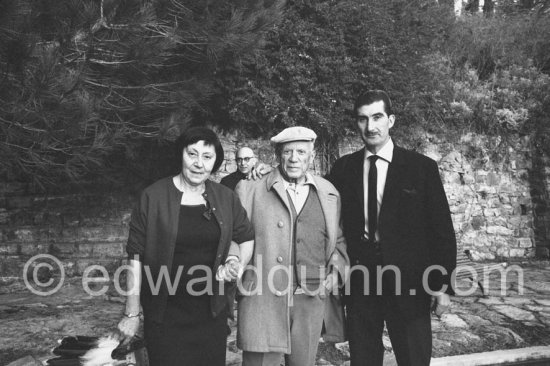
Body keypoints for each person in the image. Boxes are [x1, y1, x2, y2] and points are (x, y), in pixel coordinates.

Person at [326, 90, 457, 366]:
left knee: (413, 357)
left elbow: (441, 230)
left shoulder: (421, 168)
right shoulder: (344, 168)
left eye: (377, 117)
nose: (370, 126)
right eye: (362, 119)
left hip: (408, 280)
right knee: (363, 358)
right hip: (361, 279)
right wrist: (258, 173)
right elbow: (312, 192)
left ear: (391, 120)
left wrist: (442, 285)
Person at [117, 127, 255, 366]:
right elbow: (135, 257)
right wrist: (131, 312)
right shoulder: (152, 197)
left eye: (207, 157)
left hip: (211, 313)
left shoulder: (225, 197)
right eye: (192, 154)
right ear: (181, 154)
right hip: (164, 313)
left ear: (215, 162)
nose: (198, 163)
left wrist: (237, 264)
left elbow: (246, 236)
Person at [235, 126, 349, 366]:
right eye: (288, 152)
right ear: (278, 155)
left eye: (301, 151)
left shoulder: (329, 192)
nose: (294, 158)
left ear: (312, 154)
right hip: (262, 299)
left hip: (310, 297)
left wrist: (335, 273)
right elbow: (235, 239)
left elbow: (338, 240)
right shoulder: (251, 188)